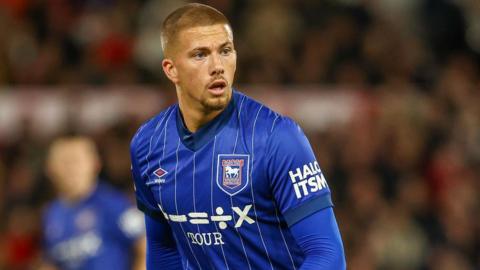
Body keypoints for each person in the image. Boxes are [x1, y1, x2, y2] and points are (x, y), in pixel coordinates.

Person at [130, 3, 346, 269]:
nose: (217, 66)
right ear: (171, 69)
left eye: (225, 50)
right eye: (200, 55)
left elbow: (327, 255)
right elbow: (163, 249)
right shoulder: (147, 145)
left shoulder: (277, 138)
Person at [42, 136, 146, 270]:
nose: (71, 169)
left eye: (77, 161)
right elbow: (52, 261)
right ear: (50, 168)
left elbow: (147, 248)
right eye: (64, 162)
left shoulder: (114, 204)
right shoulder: (52, 213)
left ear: (95, 164)